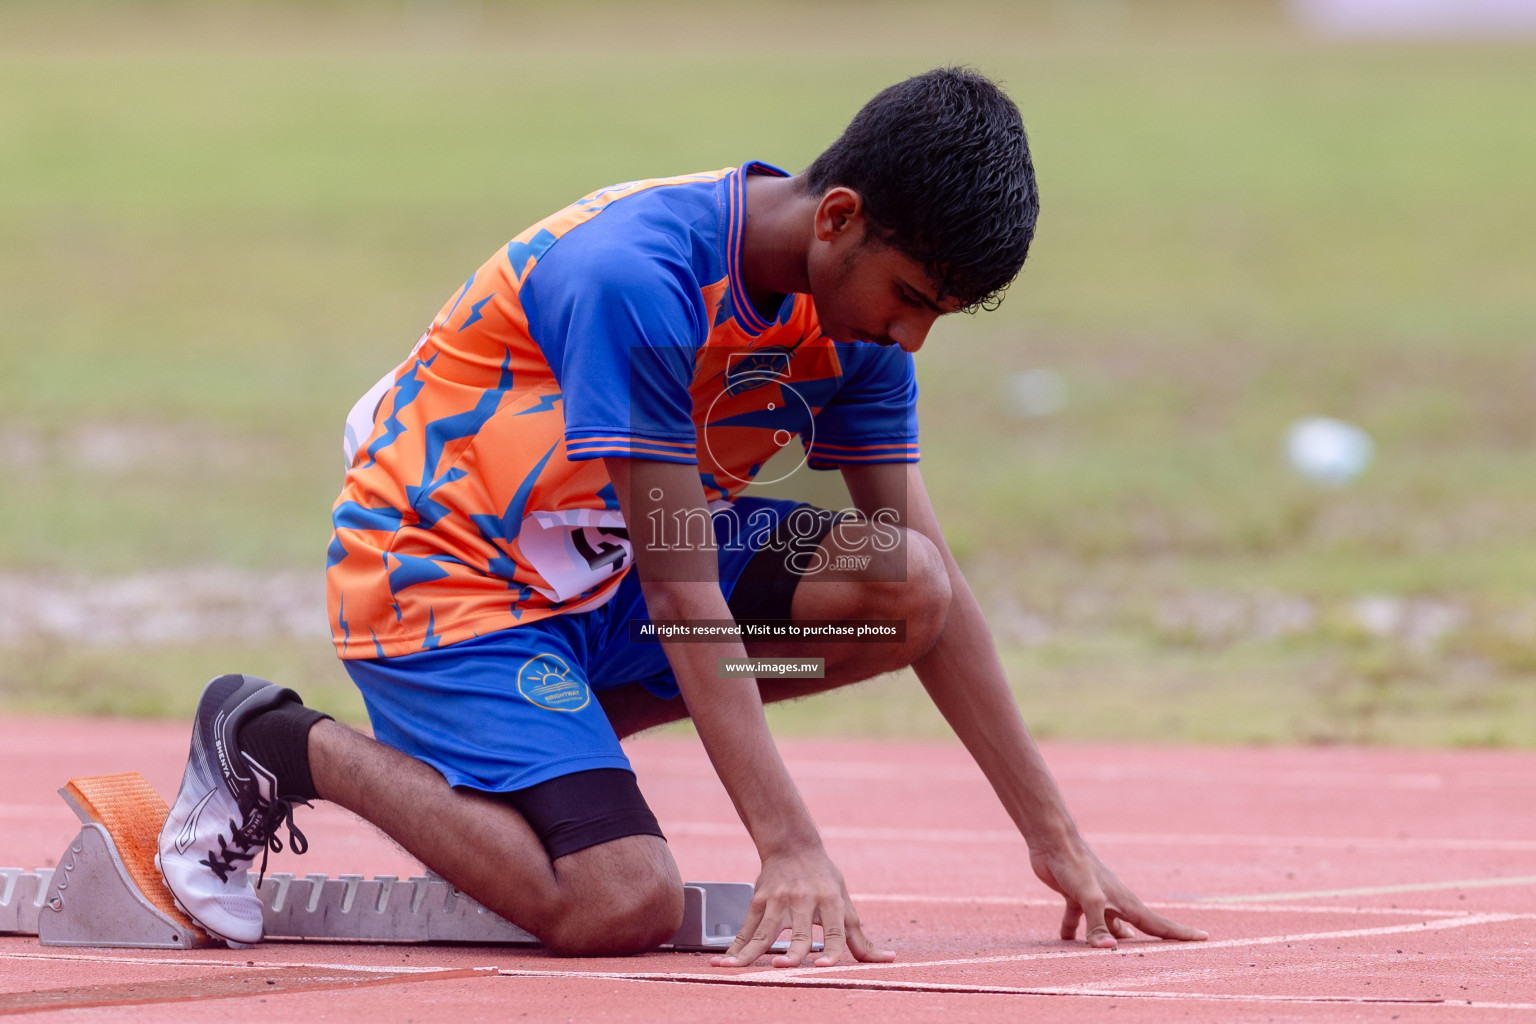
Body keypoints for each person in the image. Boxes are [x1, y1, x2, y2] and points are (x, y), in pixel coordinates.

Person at [156, 67, 1207, 963]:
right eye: (915, 297)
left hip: (607, 571)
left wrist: (1054, 835)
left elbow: (935, 579)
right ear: (837, 217)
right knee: (622, 901)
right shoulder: (637, 278)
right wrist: (789, 843)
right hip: (447, 577)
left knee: (906, 587)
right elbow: (679, 580)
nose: (916, 339)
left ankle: (543, 753)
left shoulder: (860, 332)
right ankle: (279, 739)